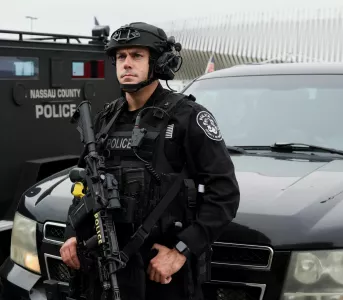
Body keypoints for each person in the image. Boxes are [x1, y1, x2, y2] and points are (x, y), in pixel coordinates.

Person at [60, 21, 240, 300]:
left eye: (136, 56)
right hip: (107, 270)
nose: (126, 64)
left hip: (162, 274)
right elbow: (84, 184)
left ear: (159, 62)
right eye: (121, 57)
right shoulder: (106, 119)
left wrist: (181, 251)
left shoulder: (187, 117)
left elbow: (224, 194)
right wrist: (73, 233)